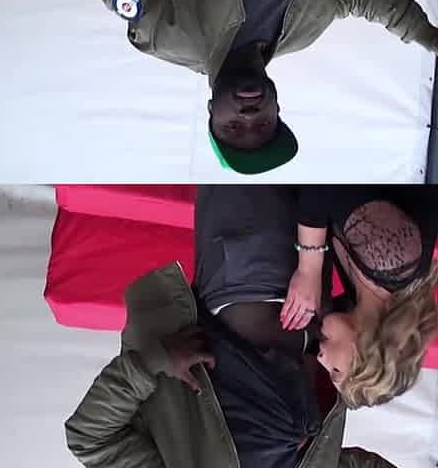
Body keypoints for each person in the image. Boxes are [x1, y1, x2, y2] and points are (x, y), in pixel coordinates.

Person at [65, 185, 397, 468]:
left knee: (255, 146)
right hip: (316, 320)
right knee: (326, 162)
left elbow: (89, 437)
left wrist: (156, 361)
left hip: (242, 283)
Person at [86, 0, 438, 174]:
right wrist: (428, 36)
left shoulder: (171, 37)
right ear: (276, 107)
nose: (249, 115)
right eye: (263, 123)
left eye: (234, 127)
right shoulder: (306, 31)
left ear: (211, 110)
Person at [280, 185, 438, 409]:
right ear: (367, 353)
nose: (321, 359)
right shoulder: (393, 258)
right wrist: (309, 266)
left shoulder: (363, 293)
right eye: (336, 371)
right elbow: (326, 177)